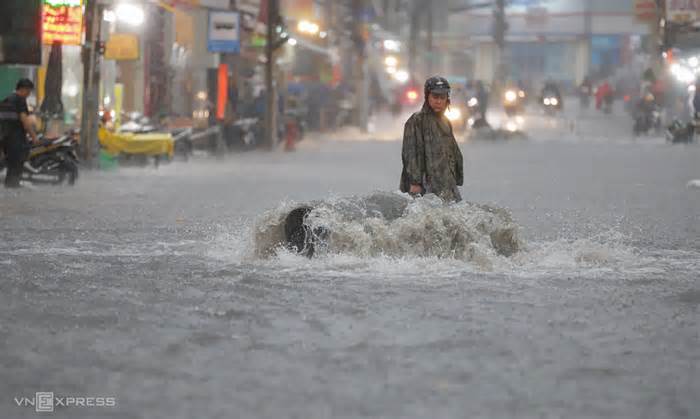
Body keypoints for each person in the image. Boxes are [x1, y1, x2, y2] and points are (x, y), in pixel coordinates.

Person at [400, 76, 464, 203]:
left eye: (442, 97)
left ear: (447, 99)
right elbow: (410, 153)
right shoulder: (417, 120)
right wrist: (415, 182)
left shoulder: (446, 122)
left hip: (446, 185)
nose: (439, 101)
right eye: (435, 97)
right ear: (427, 96)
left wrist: (456, 178)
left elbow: (452, 152)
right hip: (423, 187)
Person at [0, 79, 39, 188]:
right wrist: (34, 137)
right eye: (29, 91)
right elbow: (25, 121)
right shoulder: (20, 100)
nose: (29, 94)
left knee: (11, 169)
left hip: (5, 140)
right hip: (16, 140)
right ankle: (13, 190)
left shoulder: (6, 100)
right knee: (16, 169)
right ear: (23, 89)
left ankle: (10, 191)